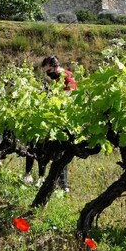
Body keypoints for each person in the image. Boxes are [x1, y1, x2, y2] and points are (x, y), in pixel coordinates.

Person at [23, 55, 76, 189]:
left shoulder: (68, 78)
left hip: (65, 120)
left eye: (49, 71)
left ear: (56, 67)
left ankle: (63, 186)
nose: (48, 74)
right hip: (56, 119)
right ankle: (53, 182)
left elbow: (69, 100)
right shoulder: (58, 79)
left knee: (61, 153)